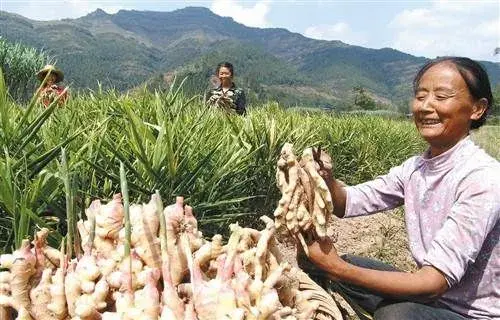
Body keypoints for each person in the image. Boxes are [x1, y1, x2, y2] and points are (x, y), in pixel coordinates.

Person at [305, 57, 499, 320]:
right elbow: (346, 202)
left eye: (441, 96)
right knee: (314, 260)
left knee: (396, 315)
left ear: (477, 109)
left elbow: (433, 283)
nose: (426, 106)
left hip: (469, 314)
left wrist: (338, 269)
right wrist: (326, 179)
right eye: (420, 96)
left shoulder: (482, 178)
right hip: (430, 300)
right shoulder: (415, 169)